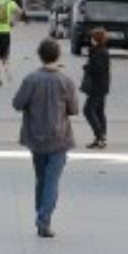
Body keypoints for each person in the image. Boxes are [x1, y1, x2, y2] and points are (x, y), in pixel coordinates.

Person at [11, 39, 79, 238]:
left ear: (40, 56)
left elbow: (17, 103)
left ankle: (41, 215)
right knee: (52, 180)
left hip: (36, 137)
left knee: (41, 178)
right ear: (57, 56)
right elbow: (74, 109)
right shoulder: (66, 81)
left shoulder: (31, 79)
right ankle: (44, 220)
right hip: (59, 138)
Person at [82, 28, 111, 149]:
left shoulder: (100, 52)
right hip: (101, 86)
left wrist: (87, 67)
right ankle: (100, 137)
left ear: (96, 39)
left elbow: (98, 69)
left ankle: (100, 135)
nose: (90, 40)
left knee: (88, 110)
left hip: (97, 87)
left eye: (92, 38)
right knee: (99, 111)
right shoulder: (99, 51)